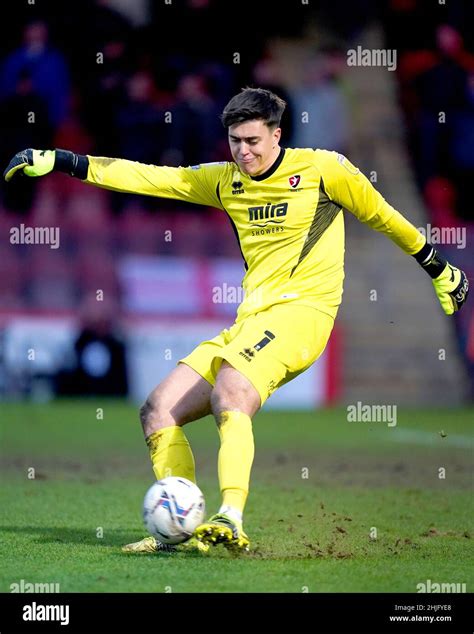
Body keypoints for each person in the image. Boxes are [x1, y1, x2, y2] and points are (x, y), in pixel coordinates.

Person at [3, 88, 469, 555]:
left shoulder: (324, 170)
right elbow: (148, 178)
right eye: (234, 142)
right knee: (158, 410)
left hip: (304, 315)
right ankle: (181, 528)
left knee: (231, 391)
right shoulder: (225, 181)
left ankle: (231, 517)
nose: (243, 151)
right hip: (251, 322)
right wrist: (63, 160)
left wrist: (439, 268)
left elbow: (385, 217)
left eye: (252, 140)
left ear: (277, 134)